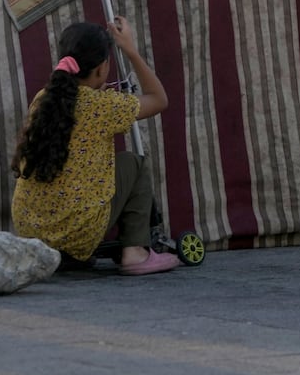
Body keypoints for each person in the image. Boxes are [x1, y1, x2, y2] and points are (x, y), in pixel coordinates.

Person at [11, 17, 180, 275]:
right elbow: (159, 99)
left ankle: (64, 254)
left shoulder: (43, 99)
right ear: (102, 68)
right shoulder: (103, 106)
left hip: (31, 237)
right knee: (134, 163)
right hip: (76, 235)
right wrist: (131, 51)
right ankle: (135, 251)